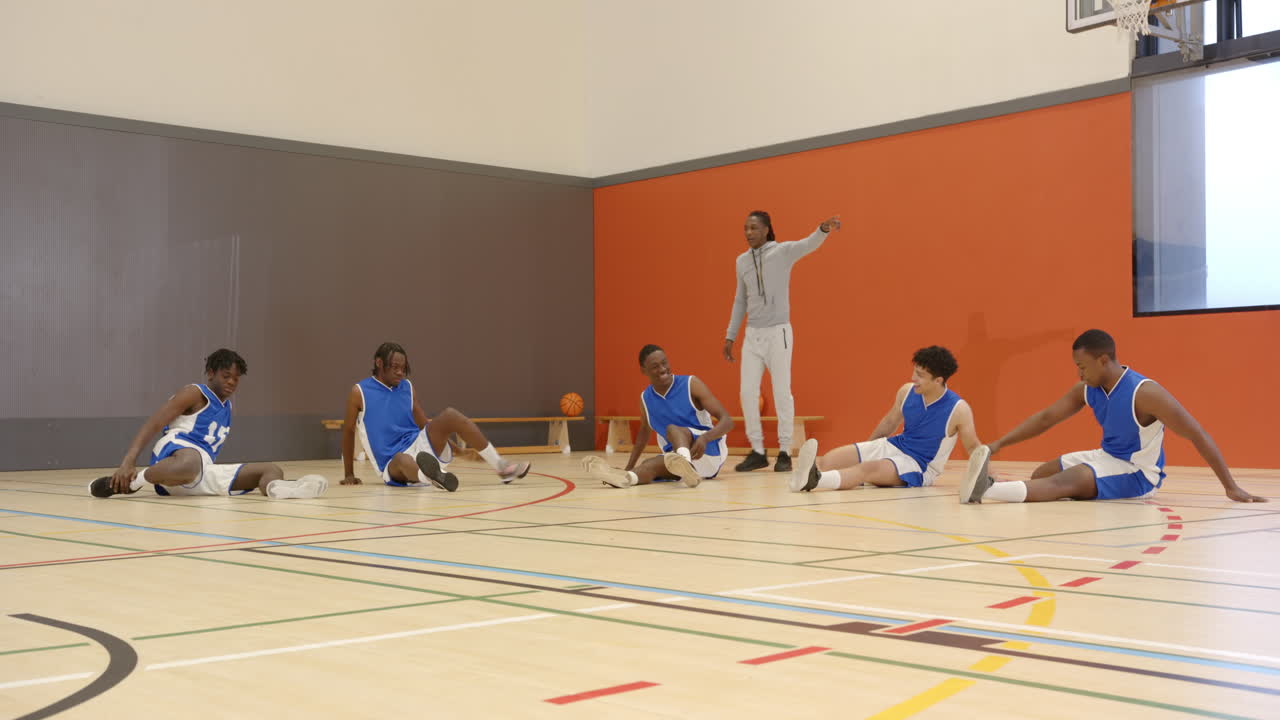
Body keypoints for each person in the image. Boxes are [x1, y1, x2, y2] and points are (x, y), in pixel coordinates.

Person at [962, 329, 1268, 504]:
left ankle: (986, 490)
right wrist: (998, 443)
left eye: (1081, 366)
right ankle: (1000, 485)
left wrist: (1231, 486)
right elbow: (1046, 418)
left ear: (1103, 359)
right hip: (1106, 456)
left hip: (1137, 473)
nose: (1078, 373)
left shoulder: (1145, 393)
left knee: (1066, 482)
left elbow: (1197, 434)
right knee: (1044, 472)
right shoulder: (1088, 387)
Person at [89, 349, 327, 499]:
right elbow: (154, 422)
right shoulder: (194, 393)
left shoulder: (228, 406)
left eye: (236, 378)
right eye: (226, 376)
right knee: (190, 463)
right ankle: (135, 482)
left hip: (202, 470)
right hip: (176, 454)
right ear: (211, 373)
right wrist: (128, 461)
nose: (232, 382)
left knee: (271, 469)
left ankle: (282, 490)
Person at [724, 210, 842, 473]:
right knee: (747, 393)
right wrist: (731, 335)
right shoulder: (741, 262)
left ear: (766, 229)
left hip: (779, 333)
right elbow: (740, 300)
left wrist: (822, 229)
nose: (748, 233)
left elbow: (807, 244)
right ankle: (757, 451)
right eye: (745, 228)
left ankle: (785, 452)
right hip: (752, 336)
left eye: (754, 228)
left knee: (781, 393)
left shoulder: (782, 252)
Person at [790, 346, 986, 493]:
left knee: (867, 469)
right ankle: (810, 475)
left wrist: (987, 475)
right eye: (914, 371)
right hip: (895, 445)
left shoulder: (958, 409)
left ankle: (816, 481)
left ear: (939, 380)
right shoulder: (907, 391)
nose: (913, 378)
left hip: (919, 465)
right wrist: (866, 449)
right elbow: (889, 423)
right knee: (831, 458)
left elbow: (973, 447)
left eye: (920, 375)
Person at [341, 342, 530, 490]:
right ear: (379, 363)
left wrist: (460, 452)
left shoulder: (407, 387)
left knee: (450, 415)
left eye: (403, 367)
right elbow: (348, 432)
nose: (400, 372)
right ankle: (433, 477)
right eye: (394, 367)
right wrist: (349, 473)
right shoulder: (359, 392)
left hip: (420, 446)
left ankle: (502, 467)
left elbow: (423, 423)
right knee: (403, 459)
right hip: (392, 461)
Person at [583, 344, 733, 488]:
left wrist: (705, 438)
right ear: (643, 370)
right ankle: (624, 478)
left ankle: (686, 465)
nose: (662, 369)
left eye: (664, 363)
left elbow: (727, 421)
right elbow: (643, 434)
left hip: (707, 450)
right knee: (649, 465)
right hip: (676, 457)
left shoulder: (690, 384)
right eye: (655, 366)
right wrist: (628, 467)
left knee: (673, 430)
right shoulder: (645, 399)